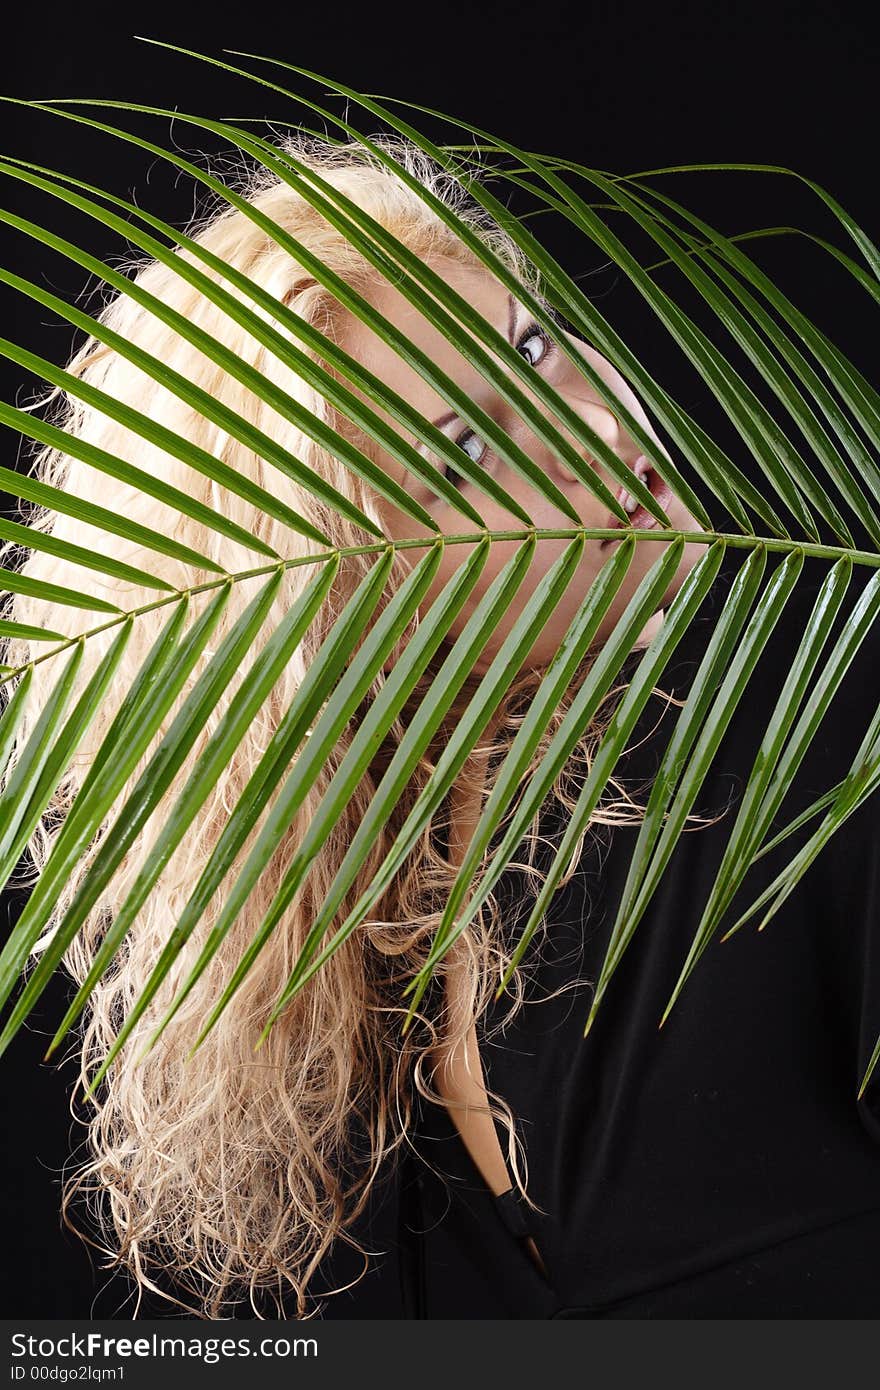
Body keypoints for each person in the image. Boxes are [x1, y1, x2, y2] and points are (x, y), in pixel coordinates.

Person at [1, 131, 876, 1322]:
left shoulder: (819, 735)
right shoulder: (365, 976)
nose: (583, 427)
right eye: (464, 450)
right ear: (335, 600)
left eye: (531, 343)